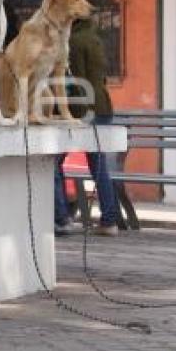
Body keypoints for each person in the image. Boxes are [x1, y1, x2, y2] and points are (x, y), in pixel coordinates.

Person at [54, 17, 121, 236]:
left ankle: (61, 218)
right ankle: (110, 221)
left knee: (53, 161)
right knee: (99, 165)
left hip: (83, 110)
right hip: (103, 107)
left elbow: (74, 81)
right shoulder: (96, 38)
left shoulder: (73, 42)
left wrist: (63, 111)